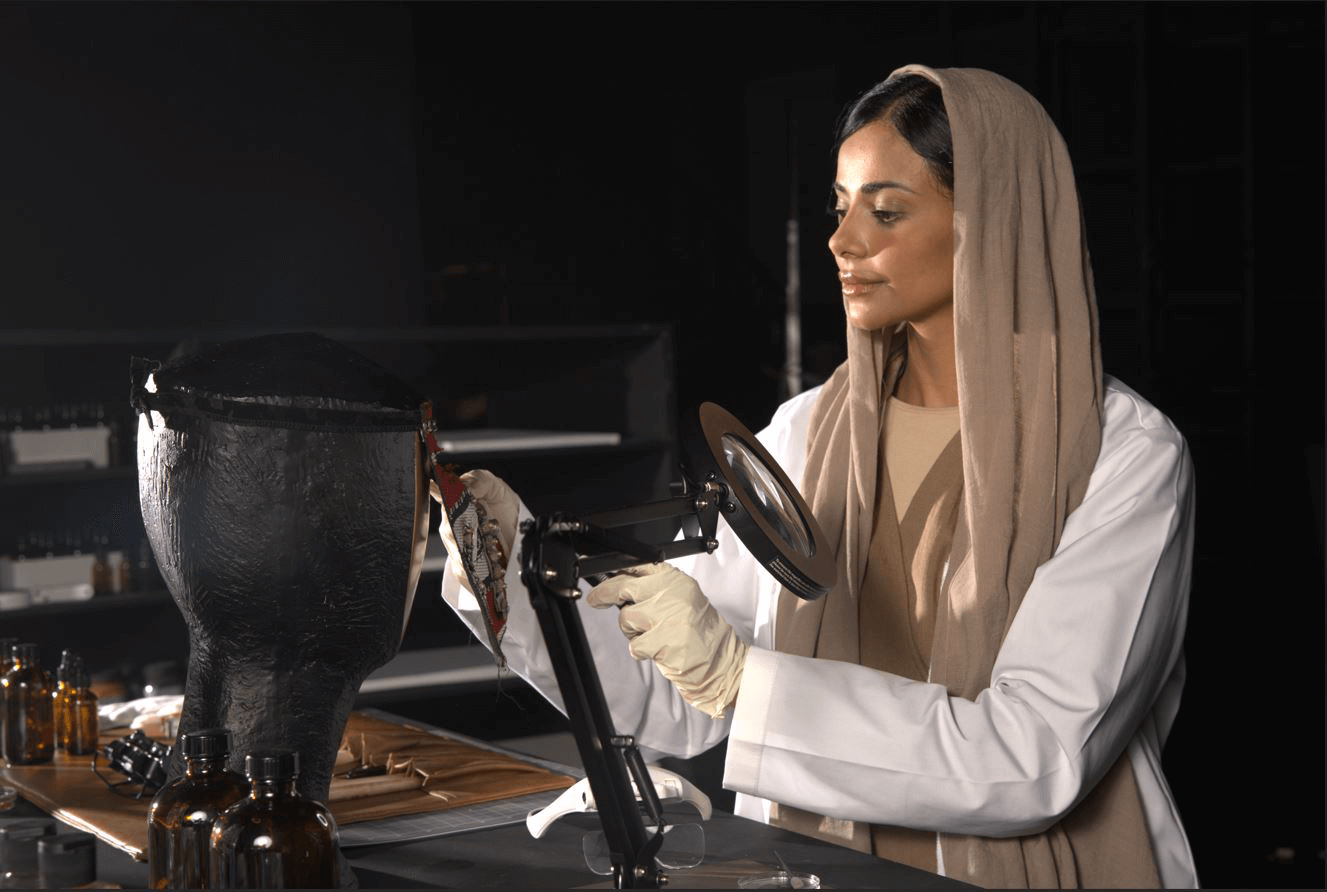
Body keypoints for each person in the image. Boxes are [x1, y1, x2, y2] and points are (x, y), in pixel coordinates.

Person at [437, 64, 1197, 889]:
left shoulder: (1120, 455)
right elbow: (673, 700)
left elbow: (1034, 756)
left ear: (992, 223)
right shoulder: (804, 433)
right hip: (810, 868)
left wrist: (743, 678)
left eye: (885, 211)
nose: (842, 241)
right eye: (840, 208)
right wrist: (513, 574)